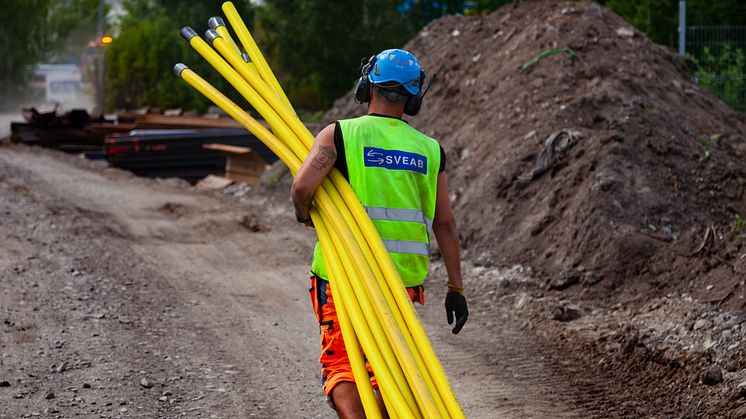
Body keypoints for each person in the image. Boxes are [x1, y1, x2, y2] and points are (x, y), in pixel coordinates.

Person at [291, 48, 468, 418]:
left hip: (342, 277)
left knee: (343, 364)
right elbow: (446, 224)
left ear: (366, 85)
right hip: (399, 280)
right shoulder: (430, 150)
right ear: (414, 97)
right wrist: (456, 287)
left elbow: (303, 189)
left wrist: (307, 216)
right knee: (390, 367)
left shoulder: (340, 134)